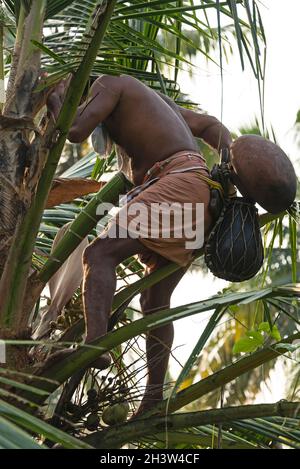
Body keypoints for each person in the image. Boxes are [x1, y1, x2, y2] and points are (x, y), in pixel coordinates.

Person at [47, 74, 232, 415]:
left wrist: (54, 97)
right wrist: (227, 170)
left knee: (99, 254)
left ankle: (95, 344)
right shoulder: (161, 104)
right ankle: (152, 400)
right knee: (155, 300)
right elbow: (210, 125)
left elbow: (73, 130)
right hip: (201, 200)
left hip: (177, 185)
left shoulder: (106, 84)